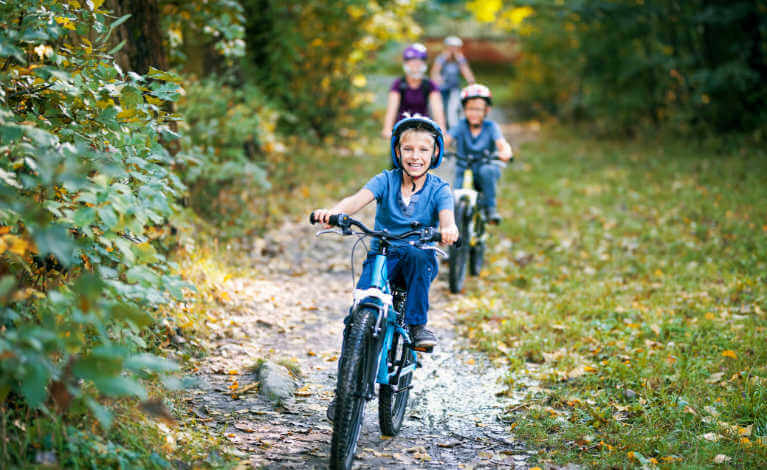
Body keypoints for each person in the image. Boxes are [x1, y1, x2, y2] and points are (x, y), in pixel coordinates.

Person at [314, 115, 458, 422]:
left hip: (416, 257)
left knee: (420, 257)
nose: (415, 156)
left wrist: (448, 229)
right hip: (383, 255)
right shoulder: (386, 180)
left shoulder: (439, 189)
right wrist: (333, 213)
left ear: (434, 154)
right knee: (356, 316)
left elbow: (447, 218)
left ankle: (417, 324)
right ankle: (344, 392)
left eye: (423, 150)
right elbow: (356, 201)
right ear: (397, 151)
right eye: (408, 149)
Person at [444, 84, 512, 225]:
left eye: (478, 109)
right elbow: (446, 139)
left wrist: (505, 152)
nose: (474, 113)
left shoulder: (491, 127)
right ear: (464, 109)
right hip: (463, 168)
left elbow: (501, 143)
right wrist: (436, 150)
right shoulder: (461, 125)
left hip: (484, 167)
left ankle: (490, 208)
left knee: (487, 171)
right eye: (470, 109)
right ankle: (453, 227)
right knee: (454, 198)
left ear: (487, 110)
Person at [381, 44, 447, 139]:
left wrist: (442, 130)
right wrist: (387, 128)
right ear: (406, 63)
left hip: (423, 129)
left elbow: (438, 109)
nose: (416, 65)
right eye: (412, 62)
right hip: (402, 129)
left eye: (419, 62)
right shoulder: (399, 84)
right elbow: (392, 109)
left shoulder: (429, 84)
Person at [431, 36, 476, 129]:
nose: (453, 50)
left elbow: (467, 72)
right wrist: (437, 79)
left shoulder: (460, 60)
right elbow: (435, 72)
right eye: (450, 47)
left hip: (454, 89)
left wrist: (471, 83)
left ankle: (453, 131)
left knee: (453, 110)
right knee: (440, 110)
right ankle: (440, 129)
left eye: (455, 48)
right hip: (442, 89)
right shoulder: (441, 59)